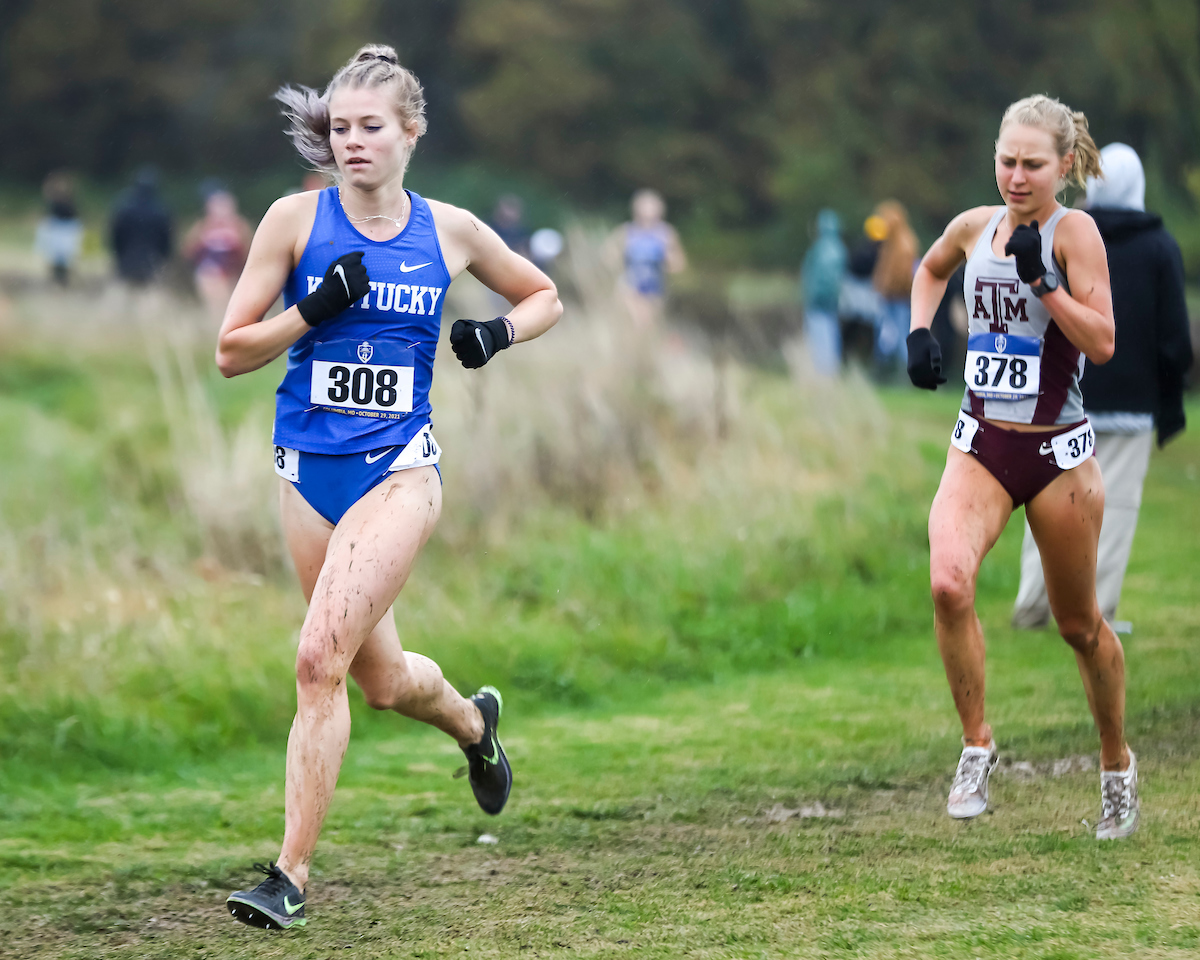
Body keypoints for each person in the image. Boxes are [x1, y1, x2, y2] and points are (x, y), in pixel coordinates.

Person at [215, 44, 562, 929]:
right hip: (307, 478)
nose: (353, 142)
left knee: (314, 660)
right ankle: (476, 726)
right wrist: (310, 311)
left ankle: (288, 877)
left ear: (411, 133)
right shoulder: (292, 222)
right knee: (379, 681)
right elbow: (230, 352)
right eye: (340, 128)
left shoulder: (450, 230)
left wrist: (495, 337)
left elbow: (544, 296)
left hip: (400, 473)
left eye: (371, 127)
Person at [906, 94, 1138, 840]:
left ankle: (1115, 767)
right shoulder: (976, 227)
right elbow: (930, 267)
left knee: (1077, 625)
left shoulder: (1078, 234)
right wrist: (920, 330)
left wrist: (1045, 285)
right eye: (1006, 161)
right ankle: (976, 747)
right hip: (982, 442)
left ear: (1063, 166)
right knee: (948, 582)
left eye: (1032, 164)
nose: (1015, 176)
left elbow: (1101, 343)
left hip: (1058, 452)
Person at [1013, 143, 1194, 630]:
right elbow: (1175, 335)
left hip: (1065, 395)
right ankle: (1095, 613)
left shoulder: (1064, 236)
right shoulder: (1159, 247)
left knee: (1049, 498)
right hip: (1132, 401)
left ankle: (1032, 605)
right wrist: (1170, 387)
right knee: (1114, 506)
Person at [610, 188, 687, 328]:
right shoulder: (626, 232)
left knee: (647, 327)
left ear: (660, 210)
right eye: (643, 208)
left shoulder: (666, 234)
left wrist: (668, 258)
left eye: (651, 208)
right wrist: (617, 258)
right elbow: (608, 257)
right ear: (636, 210)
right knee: (631, 324)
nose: (647, 213)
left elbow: (679, 265)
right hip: (629, 286)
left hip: (655, 289)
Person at [183, 188, 252, 323]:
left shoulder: (239, 226)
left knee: (230, 305)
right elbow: (188, 250)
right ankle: (214, 327)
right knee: (214, 303)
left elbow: (250, 251)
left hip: (231, 274)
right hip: (209, 272)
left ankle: (222, 328)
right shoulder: (203, 225)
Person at [872, 200, 919, 376]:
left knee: (899, 336)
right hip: (889, 297)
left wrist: (889, 288)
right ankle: (886, 372)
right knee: (885, 336)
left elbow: (904, 275)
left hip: (898, 298)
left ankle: (904, 374)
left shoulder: (904, 244)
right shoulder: (889, 243)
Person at [800, 209, 848, 375]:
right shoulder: (840, 249)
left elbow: (810, 275)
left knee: (818, 335)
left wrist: (810, 296)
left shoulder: (818, 249)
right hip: (833, 301)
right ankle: (831, 368)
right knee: (832, 333)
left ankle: (821, 370)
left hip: (817, 301)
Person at [109, 167, 172, 286]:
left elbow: (115, 235)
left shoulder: (124, 206)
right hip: (152, 261)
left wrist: (118, 255)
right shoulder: (161, 209)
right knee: (148, 297)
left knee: (125, 295)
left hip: (126, 260)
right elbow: (166, 239)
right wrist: (163, 259)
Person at [34, 172, 84, 286]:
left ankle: (62, 281)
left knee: (64, 259)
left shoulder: (66, 201)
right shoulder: (57, 201)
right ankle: (58, 281)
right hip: (59, 230)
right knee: (57, 259)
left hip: (64, 230)